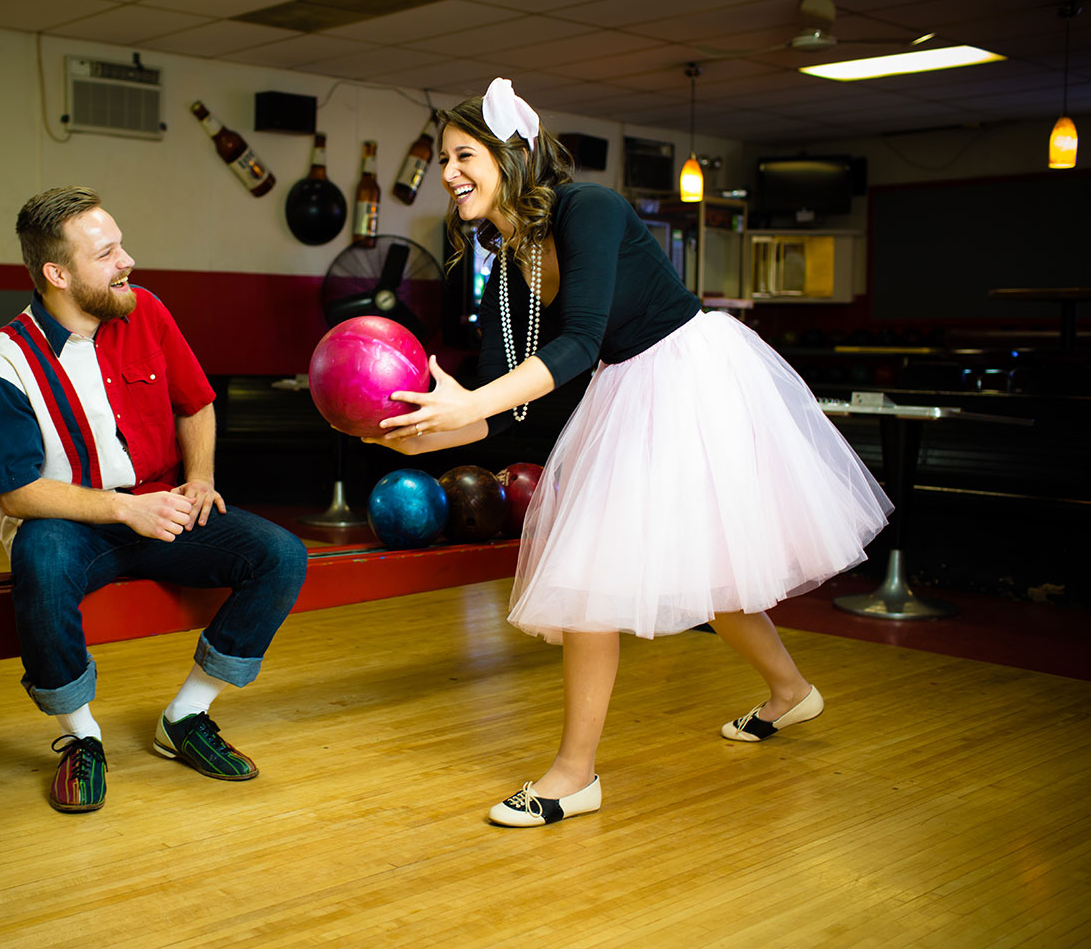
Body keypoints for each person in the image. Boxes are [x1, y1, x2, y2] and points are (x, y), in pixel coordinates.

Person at [365, 80, 892, 827]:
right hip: (629, 389)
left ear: (512, 155)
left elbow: (579, 342)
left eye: (462, 155)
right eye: (442, 158)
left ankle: (572, 776)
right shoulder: (512, 258)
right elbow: (505, 407)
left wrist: (471, 403)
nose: (447, 172)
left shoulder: (592, 210)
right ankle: (791, 693)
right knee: (714, 572)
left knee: (590, 581)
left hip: (689, 379)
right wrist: (413, 429)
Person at [0, 186, 307, 814]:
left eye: (121, 244)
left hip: (163, 505)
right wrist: (125, 509)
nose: (129, 260)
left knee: (280, 555)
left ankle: (185, 717)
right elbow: (16, 493)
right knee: (38, 564)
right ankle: (81, 739)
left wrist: (200, 478)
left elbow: (196, 401)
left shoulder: (145, 310)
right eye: (108, 253)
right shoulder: (2, 362)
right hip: (70, 524)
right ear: (58, 273)